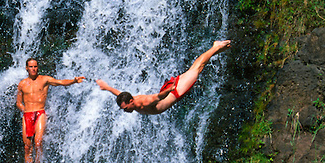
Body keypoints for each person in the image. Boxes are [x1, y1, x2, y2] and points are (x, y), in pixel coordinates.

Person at [96, 40, 231, 115]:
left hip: (174, 92)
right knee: (196, 68)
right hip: (170, 90)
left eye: (125, 108)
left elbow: (158, 97)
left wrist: (169, 90)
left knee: (197, 68)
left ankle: (216, 47)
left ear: (131, 101)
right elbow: (120, 93)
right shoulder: (129, 100)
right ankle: (216, 49)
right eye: (123, 109)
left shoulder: (143, 103)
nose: (125, 111)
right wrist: (107, 87)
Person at [16, 58, 85, 163]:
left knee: (38, 143)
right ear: (26, 68)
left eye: (35, 66)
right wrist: (25, 110)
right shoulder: (22, 83)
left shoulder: (44, 80)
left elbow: (60, 82)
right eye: (31, 67)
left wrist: (73, 81)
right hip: (27, 114)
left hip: (40, 112)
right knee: (27, 147)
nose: (33, 69)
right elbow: (18, 102)